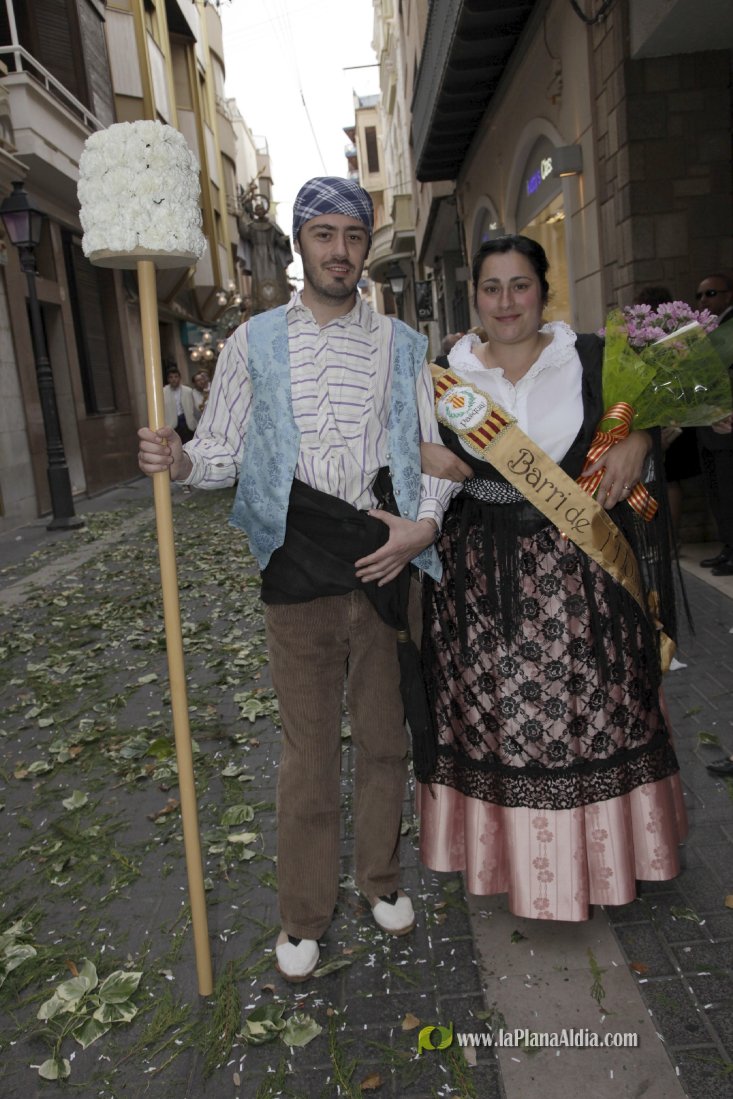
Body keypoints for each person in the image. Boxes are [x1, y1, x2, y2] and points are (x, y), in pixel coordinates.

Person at [138, 176, 455, 981]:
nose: (339, 251)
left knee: (384, 739)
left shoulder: (403, 345)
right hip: (296, 564)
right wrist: (179, 460)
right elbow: (219, 452)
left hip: (386, 562)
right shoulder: (252, 343)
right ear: (299, 243)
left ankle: (380, 877)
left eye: (353, 235)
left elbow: (430, 453)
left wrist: (422, 527)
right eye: (324, 234)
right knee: (308, 754)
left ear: (365, 244)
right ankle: (303, 914)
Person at [417, 234, 687, 921]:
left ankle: (608, 862)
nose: (506, 301)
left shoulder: (590, 357)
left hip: (585, 571)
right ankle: (518, 869)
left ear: (543, 290)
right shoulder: (443, 376)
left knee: (597, 713)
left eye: (520, 285)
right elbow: (400, 454)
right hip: (482, 579)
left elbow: (655, 419)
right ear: (474, 297)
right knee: (499, 717)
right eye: (491, 287)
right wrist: (416, 452)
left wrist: (637, 437)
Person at [695, 273, 733, 575]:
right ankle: (728, 546)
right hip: (707, 426)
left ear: (728, 295)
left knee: (729, 492)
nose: (703, 301)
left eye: (710, 294)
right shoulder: (708, 329)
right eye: (699, 296)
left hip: (726, 427)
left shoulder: (728, 328)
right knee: (717, 493)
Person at [163, 367, 197, 444]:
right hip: (172, 424)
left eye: (176, 377)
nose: (174, 379)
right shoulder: (163, 392)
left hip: (187, 422)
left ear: (180, 378)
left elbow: (194, 408)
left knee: (189, 444)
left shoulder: (188, 391)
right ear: (168, 379)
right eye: (171, 377)